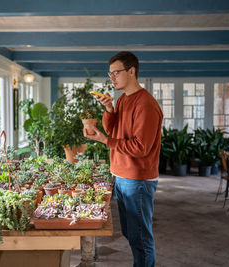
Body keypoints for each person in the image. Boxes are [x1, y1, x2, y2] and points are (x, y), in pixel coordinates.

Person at [83, 51, 163, 267]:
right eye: (110, 74)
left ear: (132, 71)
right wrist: (109, 109)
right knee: (130, 233)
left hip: (137, 180)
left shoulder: (145, 103)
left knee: (141, 239)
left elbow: (140, 147)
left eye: (116, 73)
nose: (112, 78)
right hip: (121, 175)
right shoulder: (124, 99)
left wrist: (103, 140)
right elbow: (114, 129)